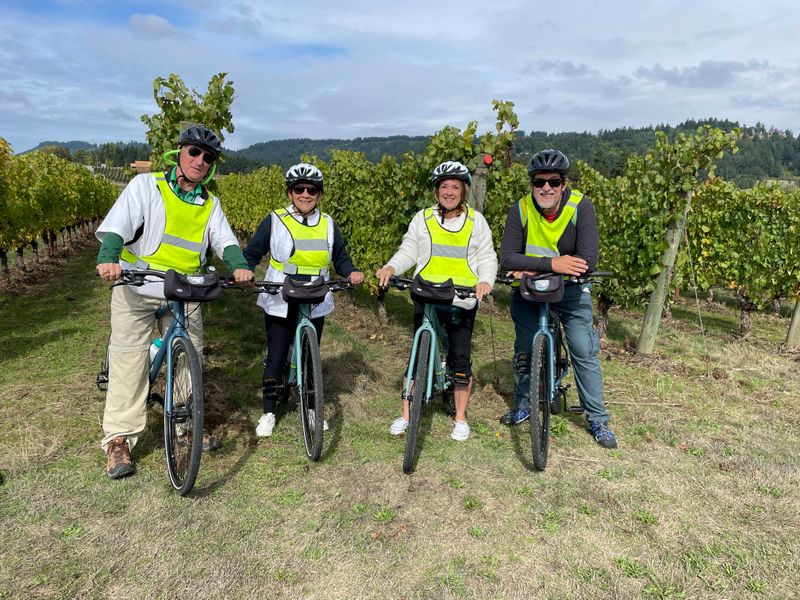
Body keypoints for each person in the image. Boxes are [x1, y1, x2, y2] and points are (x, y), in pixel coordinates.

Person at [96, 124, 253, 479]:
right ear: (179, 153)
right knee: (129, 362)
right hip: (137, 286)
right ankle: (119, 439)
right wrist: (108, 258)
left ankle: (185, 426)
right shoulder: (146, 186)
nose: (200, 161)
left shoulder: (209, 204)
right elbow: (118, 226)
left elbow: (225, 241)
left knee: (189, 357)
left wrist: (240, 266)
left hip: (183, 292)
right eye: (194, 152)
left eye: (208, 157)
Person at [498, 149, 617, 448]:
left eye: (553, 181)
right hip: (529, 289)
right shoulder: (521, 209)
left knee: (582, 348)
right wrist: (553, 264)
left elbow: (587, 260)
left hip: (571, 289)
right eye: (539, 182)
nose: (546, 188)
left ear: (564, 184)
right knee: (525, 350)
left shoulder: (580, 206)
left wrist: (530, 264)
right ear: (532, 184)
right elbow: (507, 258)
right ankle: (525, 405)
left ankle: (598, 419)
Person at [376, 160, 497, 441]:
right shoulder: (423, 218)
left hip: (462, 299)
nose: (449, 192)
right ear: (436, 191)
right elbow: (409, 249)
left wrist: (485, 280)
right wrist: (392, 267)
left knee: (460, 360)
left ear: (464, 191)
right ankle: (406, 415)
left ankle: (460, 418)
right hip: (426, 294)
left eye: (455, 186)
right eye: (444, 186)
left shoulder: (476, 222)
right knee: (416, 357)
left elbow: (487, 256)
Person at [243, 163, 364, 437]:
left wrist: (351, 272)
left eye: (311, 190)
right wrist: (245, 270)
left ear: (319, 195)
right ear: (290, 193)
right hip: (280, 294)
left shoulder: (328, 224)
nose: (305, 194)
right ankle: (269, 411)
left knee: (310, 355)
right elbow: (252, 252)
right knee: (276, 354)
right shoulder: (275, 219)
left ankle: (310, 407)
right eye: (299, 189)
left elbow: (341, 258)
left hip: (316, 294)